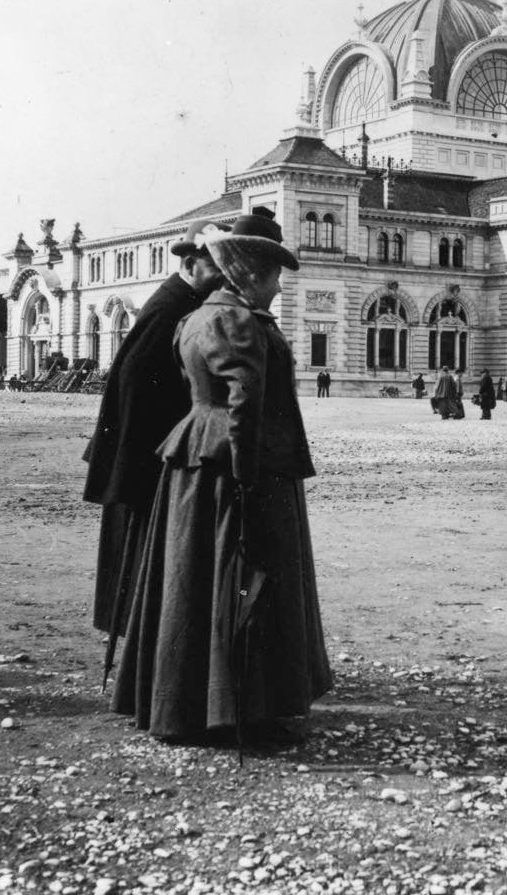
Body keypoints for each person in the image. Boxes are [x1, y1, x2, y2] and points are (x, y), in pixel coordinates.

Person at [111, 211, 332, 742]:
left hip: (194, 464)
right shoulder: (237, 322)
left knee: (193, 579)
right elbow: (244, 406)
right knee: (244, 576)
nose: (281, 286)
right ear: (252, 273)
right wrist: (247, 475)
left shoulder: (197, 317)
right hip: (237, 466)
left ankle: (183, 704)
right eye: (275, 274)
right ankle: (242, 712)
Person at [83, 219, 231, 680]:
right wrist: (149, 455)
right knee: (137, 557)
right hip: (140, 458)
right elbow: (133, 385)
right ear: (190, 263)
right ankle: (139, 661)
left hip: (141, 452)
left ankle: (142, 657)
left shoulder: (185, 300)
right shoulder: (172, 307)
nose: (224, 275)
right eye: (215, 266)